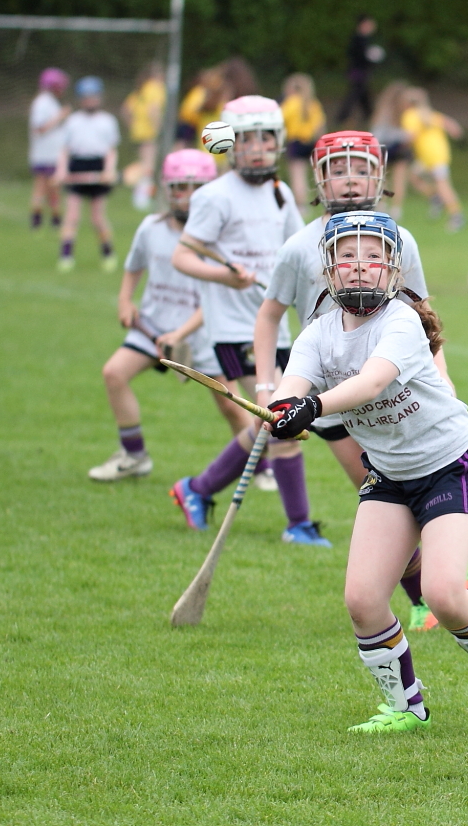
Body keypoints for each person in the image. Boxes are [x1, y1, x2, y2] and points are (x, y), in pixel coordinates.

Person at [266, 210, 468, 735]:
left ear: (394, 270)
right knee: (363, 601)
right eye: (346, 257)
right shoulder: (318, 334)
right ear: (328, 269)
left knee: (443, 593)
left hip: (445, 462)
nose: (359, 267)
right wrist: (280, 408)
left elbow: (369, 384)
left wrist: (311, 407)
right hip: (388, 473)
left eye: (373, 257)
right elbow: (291, 383)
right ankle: (406, 706)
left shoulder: (402, 322)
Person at [254, 130, 468, 630]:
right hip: (323, 385)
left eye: (361, 169)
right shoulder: (299, 248)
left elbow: (421, 317)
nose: (351, 181)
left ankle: (440, 581)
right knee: (380, 493)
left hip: (387, 384)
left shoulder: (396, 241)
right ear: (319, 177)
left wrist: (442, 379)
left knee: (404, 492)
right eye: (339, 170)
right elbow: (269, 316)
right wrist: (269, 390)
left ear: (379, 173)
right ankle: (426, 586)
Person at [169, 95, 328, 546]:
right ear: (230, 144)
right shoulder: (214, 197)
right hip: (235, 325)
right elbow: (184, 254)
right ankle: (298, 524)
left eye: (267, 138)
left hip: (275, 322)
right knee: (284, 419)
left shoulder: (279, 193)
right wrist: (224, 274)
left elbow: (302, 248)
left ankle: (196, 489)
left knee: (270, 422)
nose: (258, 148)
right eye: (248, 139)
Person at [89, 149, 249, 481]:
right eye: (179, 187)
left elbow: (217, 299)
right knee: (114, 374)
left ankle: (261, 465)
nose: (187, 196)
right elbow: (134, 266)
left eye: (196, 188)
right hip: (153, 326)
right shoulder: (151, 227)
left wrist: (181, 334)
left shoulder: (219, 238)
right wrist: (124, 301)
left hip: (203, 336)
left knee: (231, 405)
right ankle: (135, 457)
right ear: (166, 188)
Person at [55, 76, 120, 273]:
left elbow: (111, 150)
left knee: (97, 218)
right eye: (86, 97)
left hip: (98, 166)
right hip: (77, 166)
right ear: (80, 99)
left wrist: (109, 170)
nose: (90, 100)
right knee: (72, 215)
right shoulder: (73, 121)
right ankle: (66, 255)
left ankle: (108, 253)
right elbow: (65, 150)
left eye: (93, 96)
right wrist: (62, 170)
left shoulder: (108, 121)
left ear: (99, 98)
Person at [400, 87, 465, 232]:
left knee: (443, 184)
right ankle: (436, 198)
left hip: (432, 157)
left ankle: (456, 215)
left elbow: (411, 136)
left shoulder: (410, 115)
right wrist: (459, 136)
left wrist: (397, 142)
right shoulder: (430, 114)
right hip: (435, 155)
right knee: (414, 176)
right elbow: (452, 125)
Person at [120, 62, 167, 210]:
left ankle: (142, 195)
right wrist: (158, 128)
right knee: (148, 167)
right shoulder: (156, 87)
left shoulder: (141, 89)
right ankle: (141, 197)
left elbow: (125, 110)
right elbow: (153, 110)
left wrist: (133, 125)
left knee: (145, 164)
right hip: (149, 133)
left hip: (139, 132)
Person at [29, 67, 70, 231]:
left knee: (52, 189)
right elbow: (39, 128)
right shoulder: (42, 102)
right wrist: (60, 116)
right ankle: (40, 221)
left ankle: (50, 221)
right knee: (44, 188)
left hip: (51, 153)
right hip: (45, 154)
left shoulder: (49, 102)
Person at [280, 73, 327, 214]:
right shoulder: (313, 103)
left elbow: (280, 120)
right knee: (313, 175)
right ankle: (317, 200)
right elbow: (320, 125)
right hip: (312, 142)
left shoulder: (290, 103)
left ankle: (301, 206)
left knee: (297, 175)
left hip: (296, 141)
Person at [369, 81, 414, 220]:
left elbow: (376, 133)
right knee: (396, 179)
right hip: (396, 147)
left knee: (383, 179)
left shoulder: (383, 111)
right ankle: (395, 208)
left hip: (385, 148)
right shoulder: (402, 112)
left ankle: (385, 206)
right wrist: (404, 136)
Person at [336, 15, 384, 127]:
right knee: (355, 93)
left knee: (362, 93)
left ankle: (369, 114)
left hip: (362, 70)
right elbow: (358, 56)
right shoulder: (358, 39)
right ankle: (343, 116)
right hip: (357, 71)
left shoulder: (365, 39)